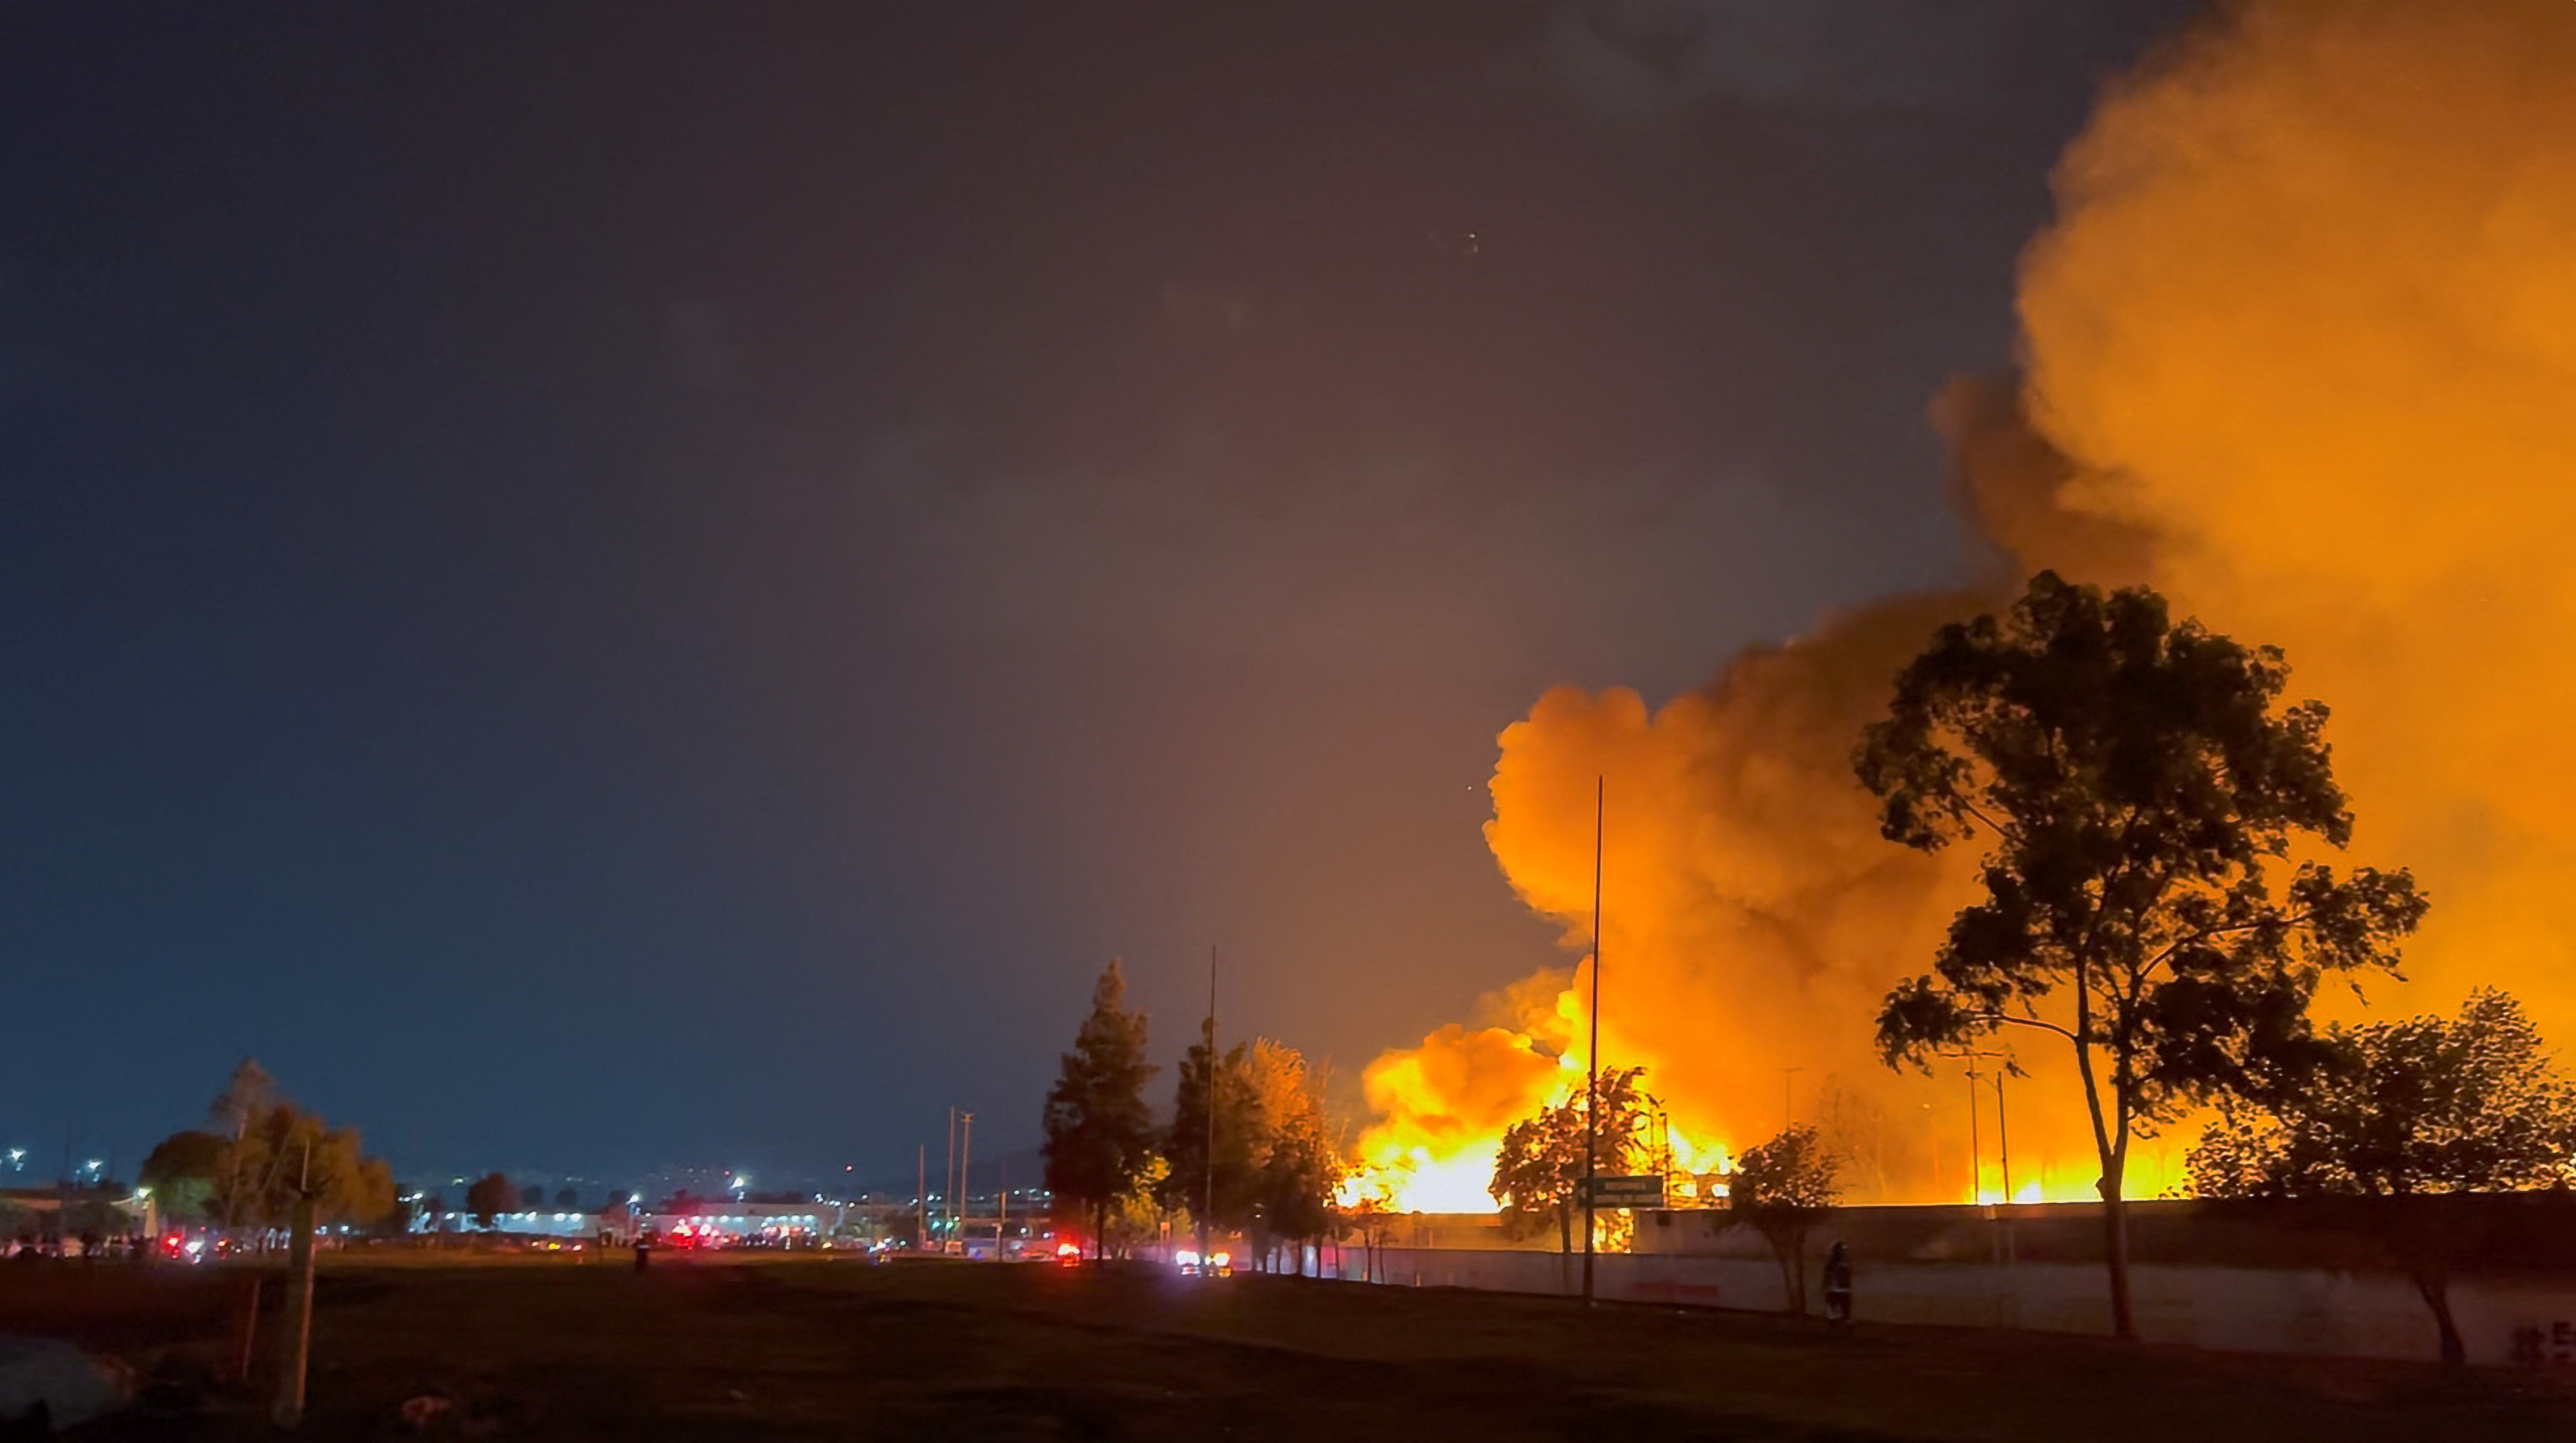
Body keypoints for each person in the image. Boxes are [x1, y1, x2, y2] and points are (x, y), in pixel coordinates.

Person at [1822, 1241, 1854, 1327]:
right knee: (1835, 1306)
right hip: (1835, 1288)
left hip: (1842, 1288)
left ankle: (1844, 1321)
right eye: (1842, 1249)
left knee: (1844, 1306)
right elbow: (1828, 1274)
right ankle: (1835, 1322)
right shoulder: (1833, 1261)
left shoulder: (1844, 1261)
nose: (1844, 1252)